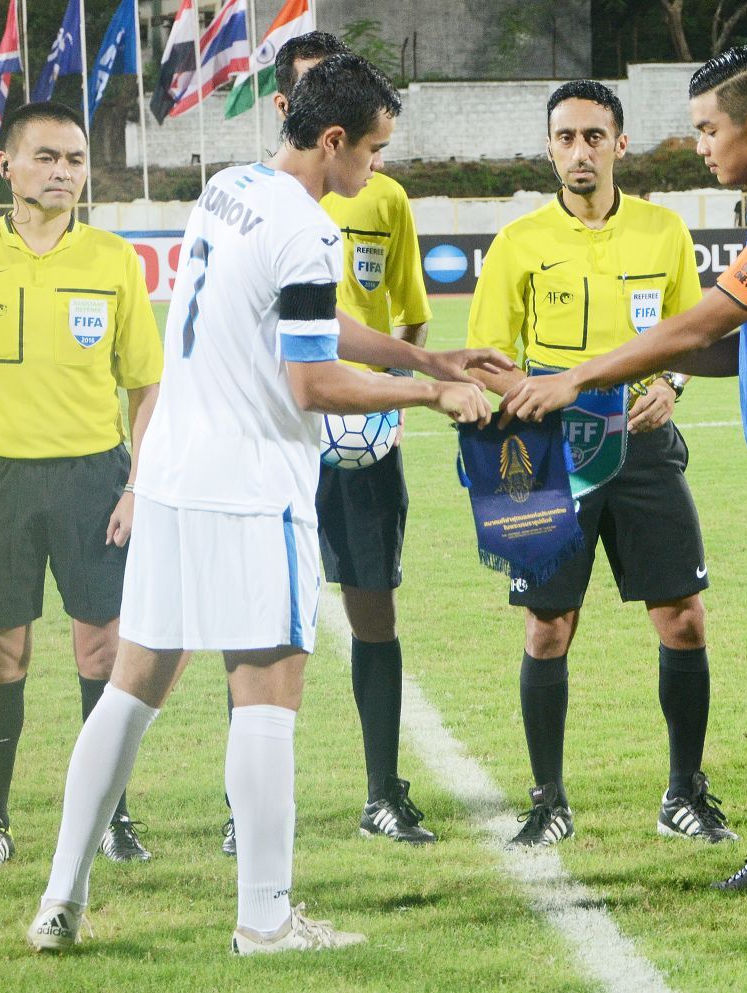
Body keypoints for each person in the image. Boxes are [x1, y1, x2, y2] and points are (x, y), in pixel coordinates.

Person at [26, 54, 508, 955]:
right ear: (333, 141)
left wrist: (428, 357)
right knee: (268, 694)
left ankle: (61, 898)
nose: (375, 168)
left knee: (131, 690)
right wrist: (431, 397)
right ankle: (265, 918)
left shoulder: (228, 188)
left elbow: (300, 317)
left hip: (171, 474)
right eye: (372, 150)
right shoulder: (311, 230)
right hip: (252, 490)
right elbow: (311, 378)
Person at [501, 48, 747, 929]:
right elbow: (729, 345)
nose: (699, 145)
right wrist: (633, 374)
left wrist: (581, 375)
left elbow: (707, 322)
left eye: (707, 127)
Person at [467, 80, 734, 848]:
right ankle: (548, 799)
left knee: (683, 619)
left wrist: (671, 385)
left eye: (593, 136)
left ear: (621, 143)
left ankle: (685, 792)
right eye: (564, 138)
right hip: (551, 452)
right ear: (549, 147)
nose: (578, 151)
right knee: (548, 628)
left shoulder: (664, 232)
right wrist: (531, 396)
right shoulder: (518, 243)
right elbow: (486, 360)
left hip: (645, 448)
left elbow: (693, 335)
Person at [0, 100, 163, 868]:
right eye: (47, 157)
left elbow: (146, 389)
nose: (63, 172)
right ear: (7, 166)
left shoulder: (115, 259)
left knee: (103, 648)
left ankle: (111, 815)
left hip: (95, 478)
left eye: (76, 160)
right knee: (1, 654)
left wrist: (136, 487)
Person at [217, 31, 438, 854]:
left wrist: (404, 389)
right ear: (297, 112)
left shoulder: (382, 198)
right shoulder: (263, 204)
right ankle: (247, 811)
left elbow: (401, 308)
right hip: (275, 442)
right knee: (258, 622)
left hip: (361, 441)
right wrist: (431, 383)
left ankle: (383, 793)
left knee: (372, 604)